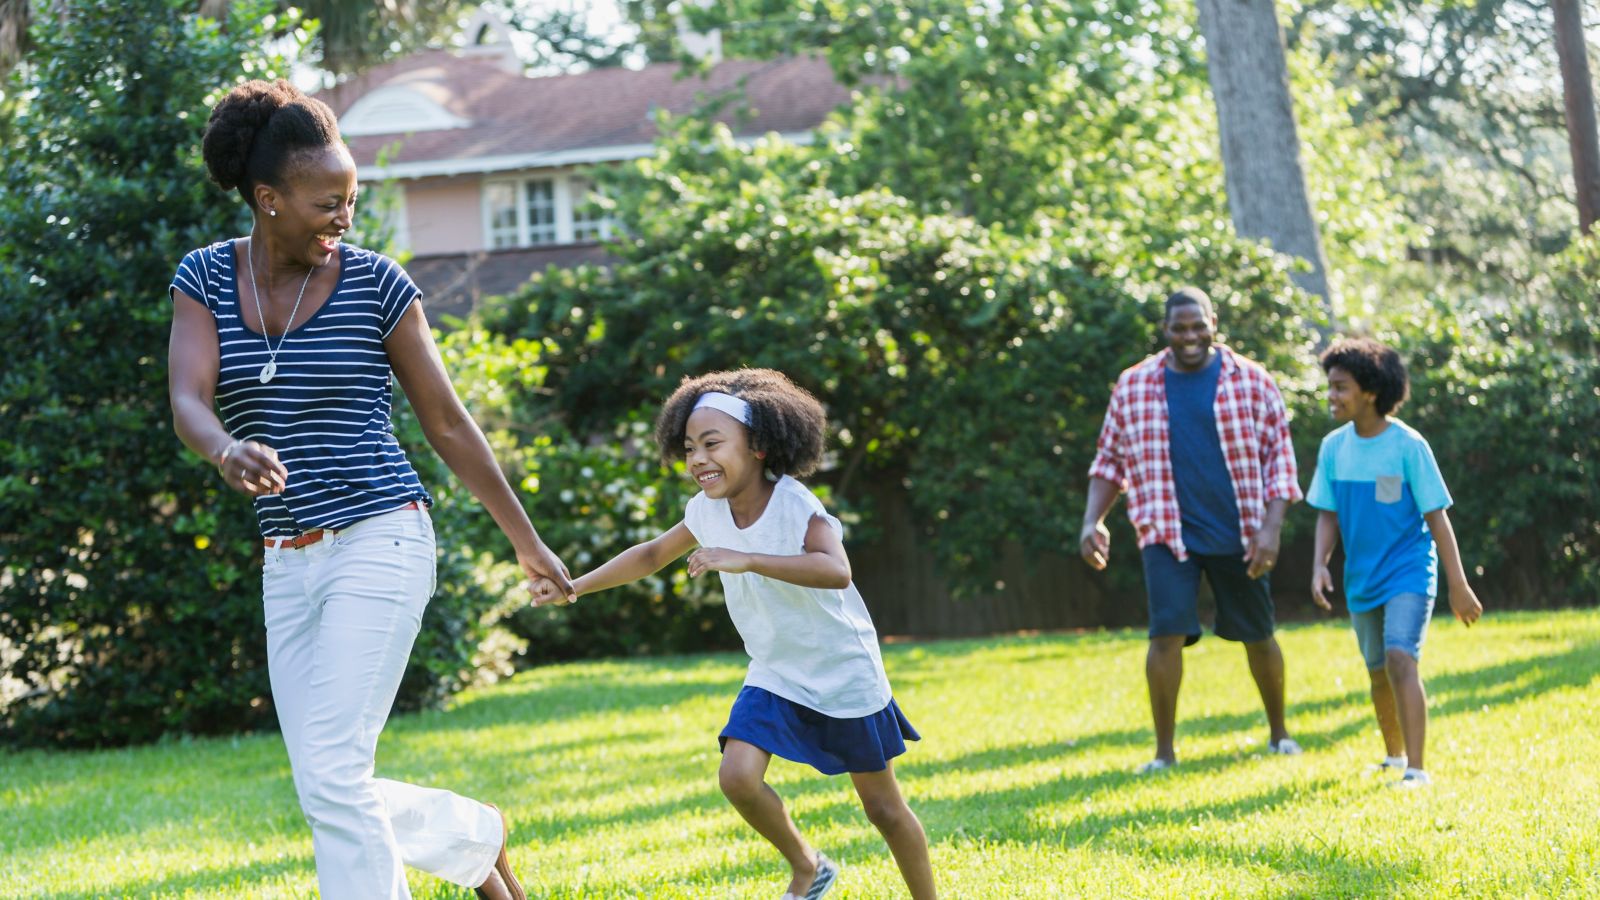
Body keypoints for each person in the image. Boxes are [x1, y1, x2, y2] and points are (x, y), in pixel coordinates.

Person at [166, 79, 574, 900]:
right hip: (288, 559)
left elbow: (450, 425)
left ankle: (463, 843)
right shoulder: (206, 277)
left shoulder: (377, 286)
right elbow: (187, 400)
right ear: (268, 198)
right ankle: (473, 833)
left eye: (351, 199)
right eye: (327, 202)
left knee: (335, 776)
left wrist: (524, 540)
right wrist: (223, 450)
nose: (343, 217)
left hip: (381, 535)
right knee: (326, 779)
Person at [530, 369, 935, 900]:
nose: (697, 458)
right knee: (737, 778)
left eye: (712, 444)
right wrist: (573, 587)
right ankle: (809, 866)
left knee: (882, 808)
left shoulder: (796, 506)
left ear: (760, 445)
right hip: (774, 669)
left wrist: (746, 558)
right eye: (690, 447)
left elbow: (835, 570)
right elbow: (652, 555)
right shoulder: (706, 511)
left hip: (840, 668)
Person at [1079, 287, 1305, 773]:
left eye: (1197, 326)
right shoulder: (1134, 385)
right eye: (1179, 328)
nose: (1189, 336)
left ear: (1213, 323)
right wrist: (1091, 521)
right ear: (1165, 330)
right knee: (1165, 637)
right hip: (1166, 532)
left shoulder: (1252, 380)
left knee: (1259, 634)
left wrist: (1271, 529)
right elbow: (1109, 460)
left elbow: (1280, 463)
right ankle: (1164, 753)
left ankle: (1280, 734)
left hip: (1241, 532)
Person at [1307, 337, 1483, 788]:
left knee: (1401, 658)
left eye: (1341, 387)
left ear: (1370, 391)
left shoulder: (1409, 446)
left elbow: (1438, 521)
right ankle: (1394, 755)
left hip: (1408, 569)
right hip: (1361, 576)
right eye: (1330, 386)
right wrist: (1320, 564)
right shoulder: (1333, 447)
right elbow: (1328, 513)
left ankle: (1417, 769)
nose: (1332, 396)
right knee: (1377, 671)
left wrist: (1458, 585)